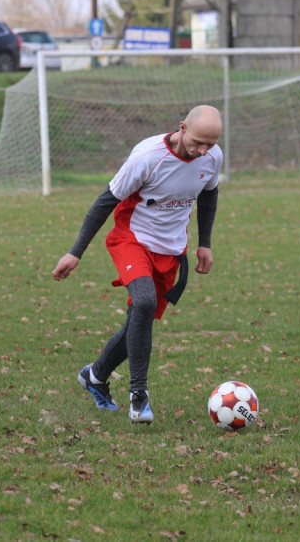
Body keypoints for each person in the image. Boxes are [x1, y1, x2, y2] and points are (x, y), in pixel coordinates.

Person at [52, 105, 224, 424]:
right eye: (199, 141)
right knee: (143, 302)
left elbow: (209, 195)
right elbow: (105, 202)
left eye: (210, 144)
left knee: (139, 321)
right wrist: (75, 252)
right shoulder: (148, 157)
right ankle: (139, 395)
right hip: (131, 238)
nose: (203, 150)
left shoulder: (213, 157)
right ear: (182, 127)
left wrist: (205, 243)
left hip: (169, 250)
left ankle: (95, 376)